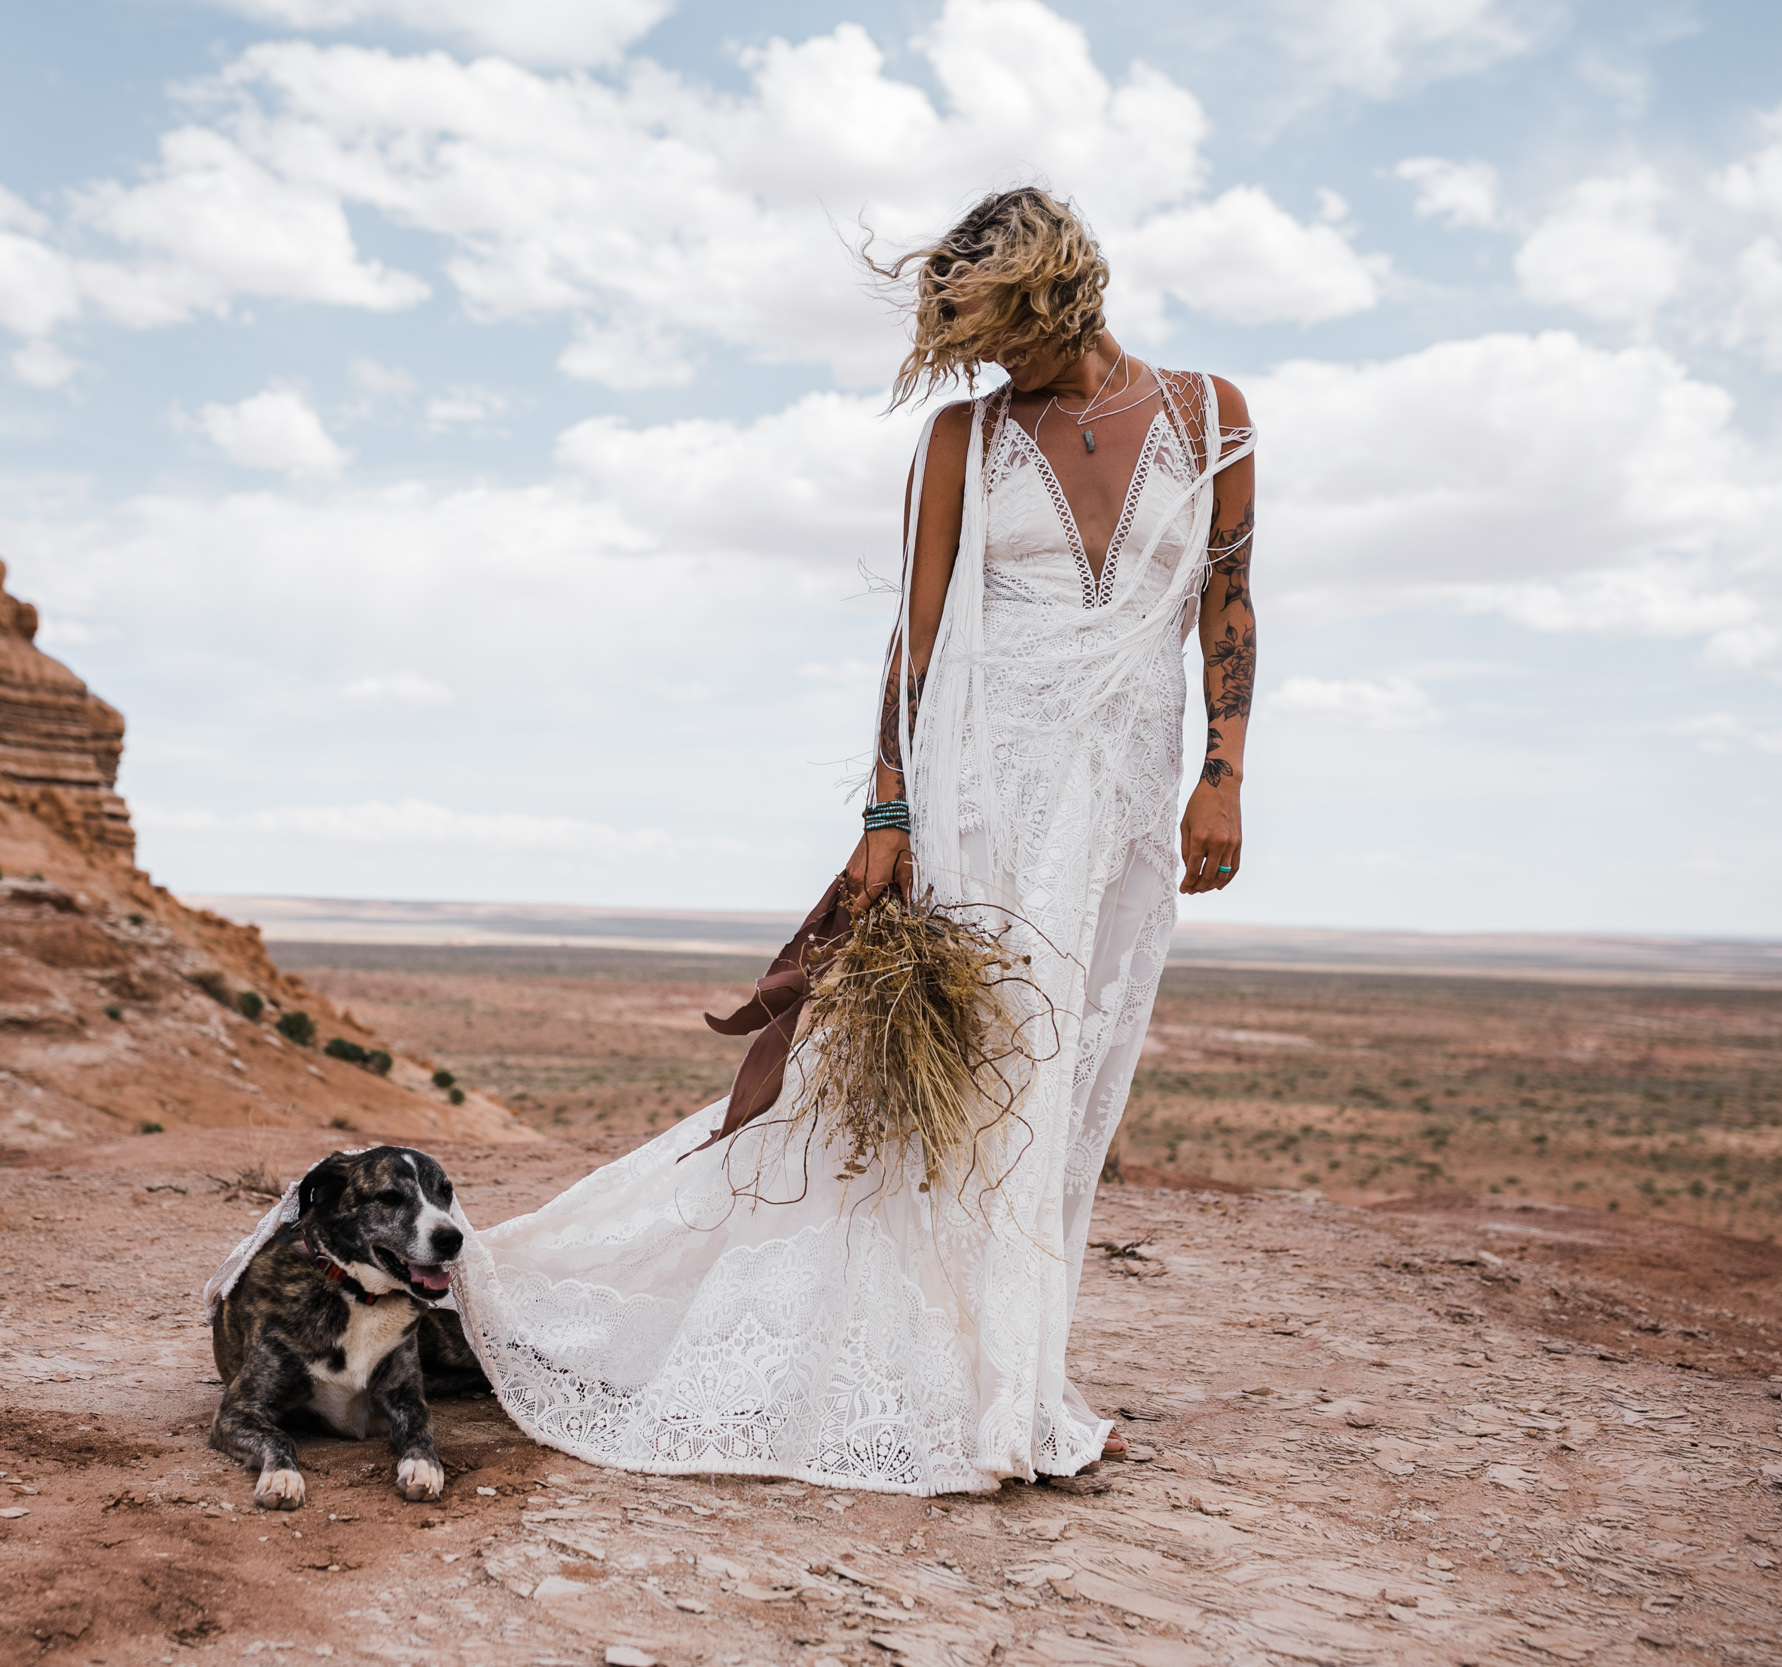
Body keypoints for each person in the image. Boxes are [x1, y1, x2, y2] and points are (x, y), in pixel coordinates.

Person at [447, 187, 1256, 1495]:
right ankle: (985, 1393)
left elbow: (1229, 596)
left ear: (1063, 300)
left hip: (1121, 799)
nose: (989, 363)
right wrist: (886, 811)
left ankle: (1016, 1365)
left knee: (1076, 1082)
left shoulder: (1215, 418)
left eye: (1003, 332)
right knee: (987, 1082)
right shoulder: (963, 439)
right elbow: (916, 635)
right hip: (983, 796)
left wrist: (1221, 774)